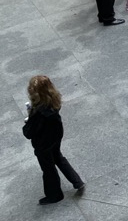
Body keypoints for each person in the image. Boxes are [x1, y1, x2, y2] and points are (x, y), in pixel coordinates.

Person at [22, 75, 85, 205]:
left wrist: (29, 120)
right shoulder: (53, 100)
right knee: (58, 157)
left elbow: (28, 133)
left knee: (48, 168)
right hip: (55, 136)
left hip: (43, 143)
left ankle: (54, 195)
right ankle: (77, 181)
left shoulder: (39, 112)